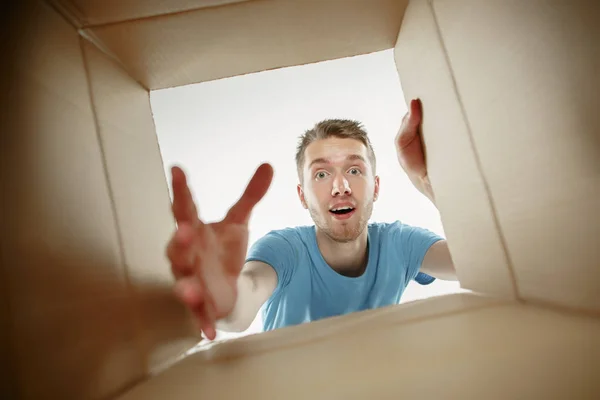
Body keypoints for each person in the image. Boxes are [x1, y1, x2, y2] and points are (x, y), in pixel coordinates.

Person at [166, 99, 456, 340]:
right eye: (321, 174)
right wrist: (223, 298)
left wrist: (426, 180)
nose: (340, 186)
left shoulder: (400, 243)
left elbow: (480, 262)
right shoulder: (284, 249)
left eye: (354, 170)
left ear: (376, 187)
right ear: (302, 196)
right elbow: (248, 295)